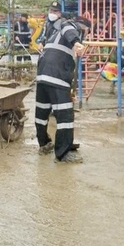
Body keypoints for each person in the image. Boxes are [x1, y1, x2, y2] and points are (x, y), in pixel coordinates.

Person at [35, 15, 90, 163]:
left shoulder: (54, 32)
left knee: (42, 112)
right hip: (56, 76)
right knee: (65, 116)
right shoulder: (69, 27)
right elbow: (68, 28)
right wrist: (76, 42)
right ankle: (63, 153)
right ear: (82, 27)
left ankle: (44, 144)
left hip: (42, 75)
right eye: (86, 31)